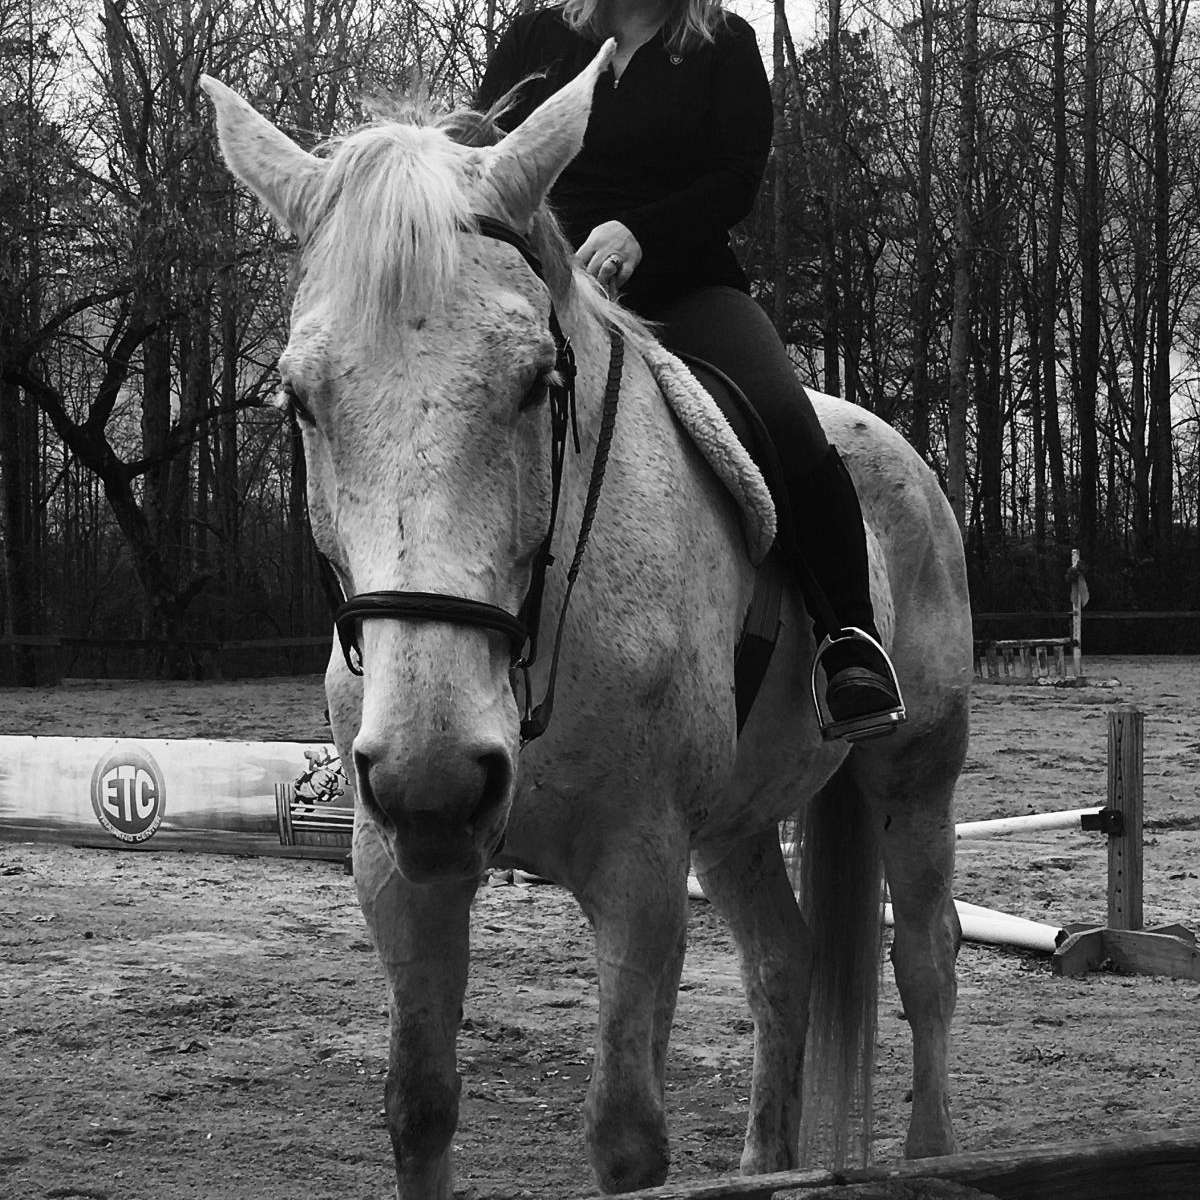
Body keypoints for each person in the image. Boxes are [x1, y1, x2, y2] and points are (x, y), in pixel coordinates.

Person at [476, 0, 904, 738]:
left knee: (780, 413)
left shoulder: (725, 45)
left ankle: (848, 641)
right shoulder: (535, 36)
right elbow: (478, 153)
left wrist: (644, 232)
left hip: (685, 285)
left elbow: (736, 179)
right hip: (542, 286)